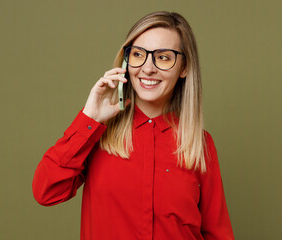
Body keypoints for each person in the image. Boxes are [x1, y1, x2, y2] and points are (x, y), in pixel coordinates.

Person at [32, 11, 234, 240]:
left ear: (184, 68)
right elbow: (45, 191)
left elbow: (218, 233)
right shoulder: (97, 134)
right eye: (138, 55)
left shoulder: (200, 144)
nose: (148, 68)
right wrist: (89, 118)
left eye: (164, 58)